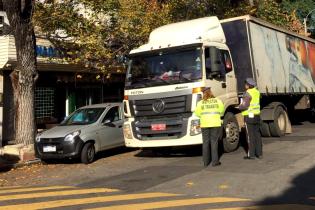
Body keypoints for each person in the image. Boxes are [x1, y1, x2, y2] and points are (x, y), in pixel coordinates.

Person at [194, 87, 224, 167]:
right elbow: (221, 112)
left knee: (205, 143)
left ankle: (206, 162)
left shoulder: (200, 103)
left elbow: (197, 114)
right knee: (214, 142)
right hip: (215, 123)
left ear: (203, 93)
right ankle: (215, 162)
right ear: (211, 92)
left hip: (205, 124)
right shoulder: (218, 101)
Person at [239, 78, 262, 160]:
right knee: (257, 135)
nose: (245, 85)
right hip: (257, 115)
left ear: (248, 85)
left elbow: (245, 105)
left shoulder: (248, 93)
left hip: (249, 116)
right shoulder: (257, 92)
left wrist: (239, 107)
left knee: (250, 136)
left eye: (246, 84)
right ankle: (259, 153)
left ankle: (251, 154)